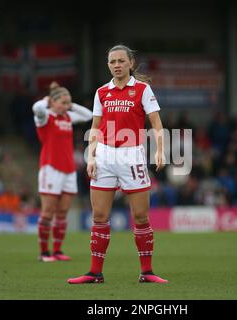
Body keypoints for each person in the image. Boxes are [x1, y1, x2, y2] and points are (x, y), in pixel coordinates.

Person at [67, 45, 168, 284]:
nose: (117, 65)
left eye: (121, 61)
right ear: (108, 65)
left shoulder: (143, 89)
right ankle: (95, 273)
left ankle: (147, 272)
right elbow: (95, 127)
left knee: (141, 217)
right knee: (99, 216)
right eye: (112, 61)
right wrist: (91, 156)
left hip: (132, 156)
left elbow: (156, 122)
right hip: (104, 156)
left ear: (131, 63)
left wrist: (161, 151)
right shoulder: (102, 92)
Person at [33, 82, 92, 261]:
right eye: (63, 102)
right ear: (53, 101)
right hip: (50, 168)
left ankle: (57, 250)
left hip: (69, 170)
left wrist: (71, 105)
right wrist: (47, 100)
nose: (66, 106)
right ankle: (44, 252)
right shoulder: (44, 117)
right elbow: (36, 107)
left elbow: (88, 115)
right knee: (48, 211)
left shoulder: (67, 117)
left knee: (63, 211)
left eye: (68, 103)